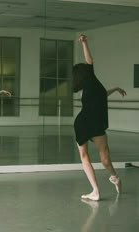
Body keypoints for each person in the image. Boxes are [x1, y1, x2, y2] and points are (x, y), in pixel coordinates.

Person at [72, 34, 126, 201]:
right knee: (105, 158)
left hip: (83, 123)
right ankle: (114, 178)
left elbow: (102, 95)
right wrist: (85, 43)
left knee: (85, 157)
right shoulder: (92, 80)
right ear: (86, 73)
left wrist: (115, 89)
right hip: (95, 123)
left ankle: (96, 191)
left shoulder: (91, 87)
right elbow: (90, 60)